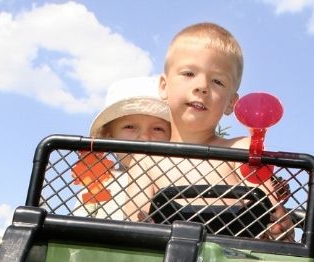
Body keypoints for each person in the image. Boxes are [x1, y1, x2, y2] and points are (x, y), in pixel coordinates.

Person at [122, 23, 293, 239]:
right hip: (165, 260)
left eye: (217, 81)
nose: (202, 86)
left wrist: (277, 227)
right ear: (164, 86)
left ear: (231, 102)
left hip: (235, 260)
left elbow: (269, 209)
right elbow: (134, 222)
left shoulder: (239, 149)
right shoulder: (147, 159)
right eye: (189, 73)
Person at [73, 76, 171, 219]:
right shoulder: (100, 181)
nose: (144, 137)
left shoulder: (174, 178)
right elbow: (77, 223)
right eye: (130, 127)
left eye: (157, 129)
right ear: (109, 135)